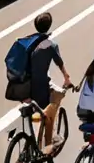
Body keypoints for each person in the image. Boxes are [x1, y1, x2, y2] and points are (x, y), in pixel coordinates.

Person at [28, 12, 74, 154]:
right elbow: (60, 64)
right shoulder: (51, 45)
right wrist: (67, 79)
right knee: (55, 100)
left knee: (36, 114)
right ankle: (49, 144)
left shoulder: (28, 43)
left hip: (25, 86)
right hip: (41, 86)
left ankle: (30, 143)